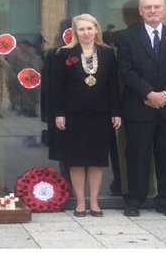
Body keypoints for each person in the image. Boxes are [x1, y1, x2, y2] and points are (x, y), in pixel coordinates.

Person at [116, 0, 166, 217]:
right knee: (137, 156)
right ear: (140, 11)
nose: (152, 11)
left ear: (164, 10)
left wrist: (165, 93)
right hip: (139, 107)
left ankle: (165, 200)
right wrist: (149, 93)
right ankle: (135, 200)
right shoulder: (127, 37)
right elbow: (125, 70)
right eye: (147, 7)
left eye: (157, 7)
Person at [49, 14, 122, 217]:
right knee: (77, 160)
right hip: (74, 114)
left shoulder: (108, 54)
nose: (86, 33)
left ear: (96, 30)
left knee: (96, 160)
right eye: (81, 29)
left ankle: (95, 202)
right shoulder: (64, 54)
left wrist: (116, 111)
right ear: (75, 32)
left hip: (101, 113)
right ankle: (80, 202)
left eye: (89, 28)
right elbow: (58, 87)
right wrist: (59, 114)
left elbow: (113, 86)